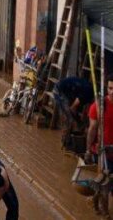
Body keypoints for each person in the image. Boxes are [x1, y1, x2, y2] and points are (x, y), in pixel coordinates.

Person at [86, 74, 113, 215]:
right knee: (105, 184)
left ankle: (94, 199)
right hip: (103, 152)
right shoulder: (99, 107)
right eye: (110, 88)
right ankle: (105, 213)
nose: (112, 91)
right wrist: (88, 150)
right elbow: (92, 129)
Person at [55, 77, 94, 153]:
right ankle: (66, 143)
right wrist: (77, 121)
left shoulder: (88, 95)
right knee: (68, 119)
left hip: (69, 90)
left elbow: (83, 109)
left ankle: (70, 140)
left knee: (72, 118)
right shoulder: (87, 93)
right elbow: (73, 107)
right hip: (60, 90)